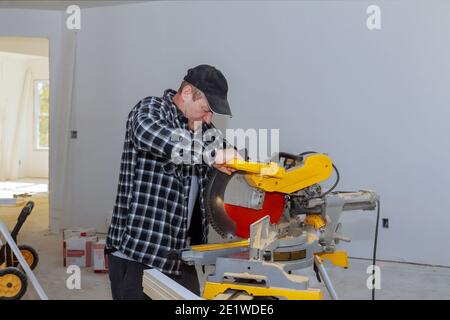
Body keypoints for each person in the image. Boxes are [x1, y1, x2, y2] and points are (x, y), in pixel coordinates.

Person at [105, 64, 240, 300]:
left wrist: (253, 168)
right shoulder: (150, 109)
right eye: (206, 109)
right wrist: (213, 155)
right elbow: (151, 134)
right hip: (138, 252)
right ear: (187, 93)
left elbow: (230, 155)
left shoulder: (203, 128)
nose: (209, 117)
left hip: (180, 254)